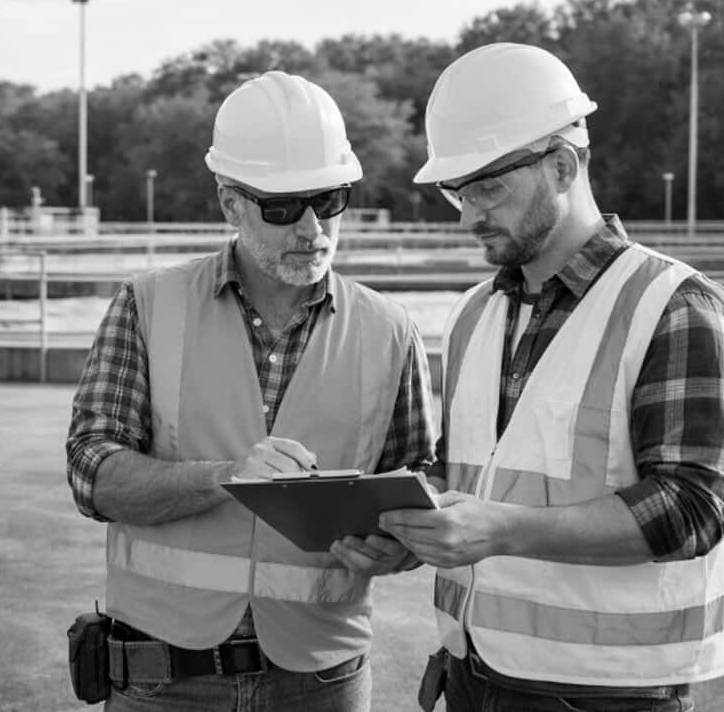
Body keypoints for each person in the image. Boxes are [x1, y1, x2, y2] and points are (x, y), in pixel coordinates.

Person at [334, 42, 724, 712]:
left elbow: (693, 508)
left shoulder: (671, 308)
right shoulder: (472, 315)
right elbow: (476, 481)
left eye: (487, 187)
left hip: (610, 694)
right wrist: (408, 531)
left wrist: (502, 529)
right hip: (470, 672)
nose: (467, 213)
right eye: (458, 191)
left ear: (563, 166)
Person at [66, 71, 437, 711]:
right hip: (166, 682)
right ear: (230, 203)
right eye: (283, 207)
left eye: (330, 198)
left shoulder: (390, 330)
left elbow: (419, 483)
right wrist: (225, 477)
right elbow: (91, 472)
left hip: (321, 678)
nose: (312, 228)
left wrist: (398, 547)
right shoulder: (147, 305)